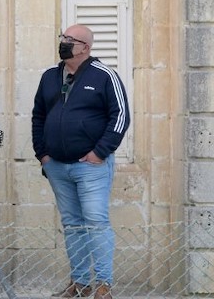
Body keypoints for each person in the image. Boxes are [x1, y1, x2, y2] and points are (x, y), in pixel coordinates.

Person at [32, 25, 131, 299]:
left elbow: (121, 116)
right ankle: (79, 283)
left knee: (96, 222)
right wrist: (43, 154)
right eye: (62, 38)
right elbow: (38, 116)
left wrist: (100, 153)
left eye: (69, 40)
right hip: (57, 166)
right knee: (72, 224)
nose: (63, 43)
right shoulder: (50, 77)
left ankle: (103, 285)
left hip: (91, 166)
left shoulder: (104, 76)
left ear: (85, 47)